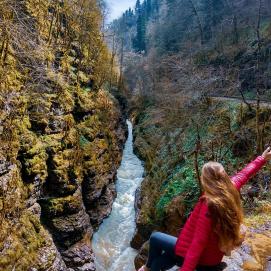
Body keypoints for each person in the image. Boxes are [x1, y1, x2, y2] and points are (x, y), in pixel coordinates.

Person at [138, 147, 271, 271]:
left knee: (155, 237)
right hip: (213, 255)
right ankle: (150, 267)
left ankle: (147, 268)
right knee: (159, 262)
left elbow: (198, 243)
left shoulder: (208, 204)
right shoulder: (229, 189)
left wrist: (186, 269)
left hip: (203, 260)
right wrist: (262, 159)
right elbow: (244, 174)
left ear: (206, 180)